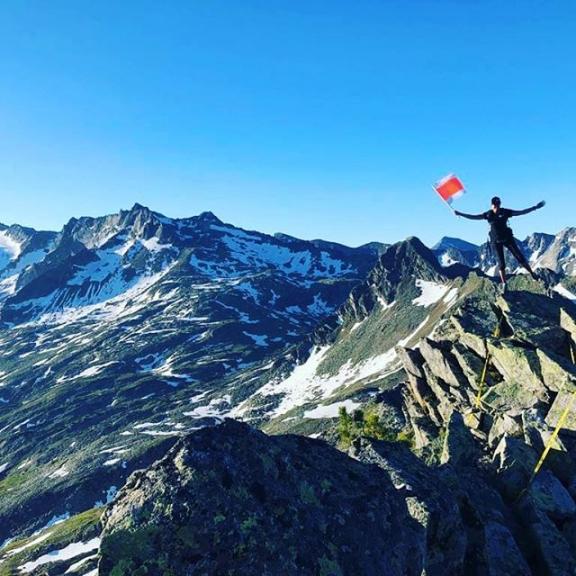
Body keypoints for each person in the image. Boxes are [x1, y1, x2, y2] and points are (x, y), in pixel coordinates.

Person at [454, 197, 546, 293]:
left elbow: (521, 212)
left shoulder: (505, 212)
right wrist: (460, 214)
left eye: (498, 204)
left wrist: (534, 208)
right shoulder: (488, 214)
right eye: (494, 205)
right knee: (501, 264)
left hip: (507, 238)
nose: (496, 206)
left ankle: (532, 273)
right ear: (492, 205)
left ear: (500, 204)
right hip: (496, 241)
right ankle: (504, 284)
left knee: (519, 257)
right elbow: (474, 217)